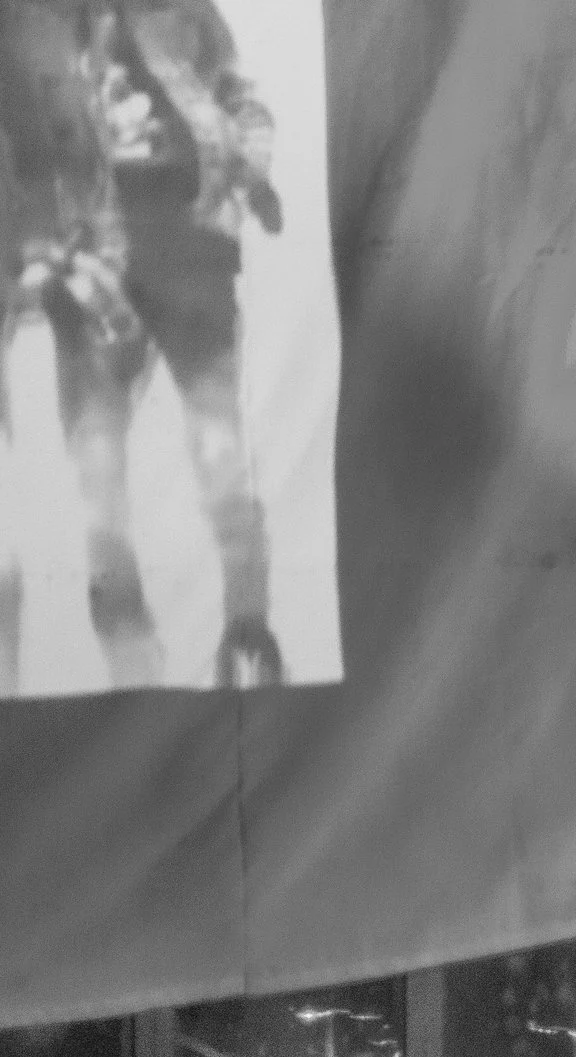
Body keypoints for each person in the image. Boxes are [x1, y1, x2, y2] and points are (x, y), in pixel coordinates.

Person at [0, 0, 281, 692]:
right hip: (88, 269)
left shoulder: (184, 11)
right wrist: (36, 251)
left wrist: (245, 171)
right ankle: (129, 658)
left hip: (190, 259)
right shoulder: (21, 23)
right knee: (98, 473)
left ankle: (248, 633)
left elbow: (240, 96)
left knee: (219, 450)